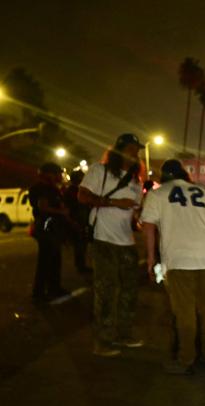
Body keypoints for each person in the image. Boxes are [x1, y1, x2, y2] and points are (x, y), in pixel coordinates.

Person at [141, 159, 205, 374]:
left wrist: (151, 258)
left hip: (178, 259)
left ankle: (185, 359)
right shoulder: (202, 192)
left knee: (184, 311)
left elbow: (148, 227)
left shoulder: (157, 195)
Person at [78, 133, 144, 357]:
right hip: (104, 240)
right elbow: (83, 196)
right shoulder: (100, 170)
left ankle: (124, 334)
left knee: (129, 291)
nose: (135, 153)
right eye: (131, 148)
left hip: (127, 241)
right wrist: (114, 202)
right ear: (118, 149)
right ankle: (103, 341)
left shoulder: (136, 180)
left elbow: (135, 211)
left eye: (137, 149)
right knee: (106, 292)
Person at [29, 162, 70, 303]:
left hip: (53, 228)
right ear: (48, 174)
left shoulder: (52, 188)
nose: (59, 176)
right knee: (45, 261)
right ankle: (39, 293)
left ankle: (54, 288)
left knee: (55, 260)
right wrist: (61, 212)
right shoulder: (40, 188)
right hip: (46, 228)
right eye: (57, 173)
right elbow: (43, 207)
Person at [63, 170, 92, 274]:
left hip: (81, 221)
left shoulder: (78, 190)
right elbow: (67, 208)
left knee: (82, 245)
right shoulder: (71, 191)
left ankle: (81, 265)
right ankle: (81, 267)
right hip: (76, 221)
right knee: (79, 246)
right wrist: (72, 222)